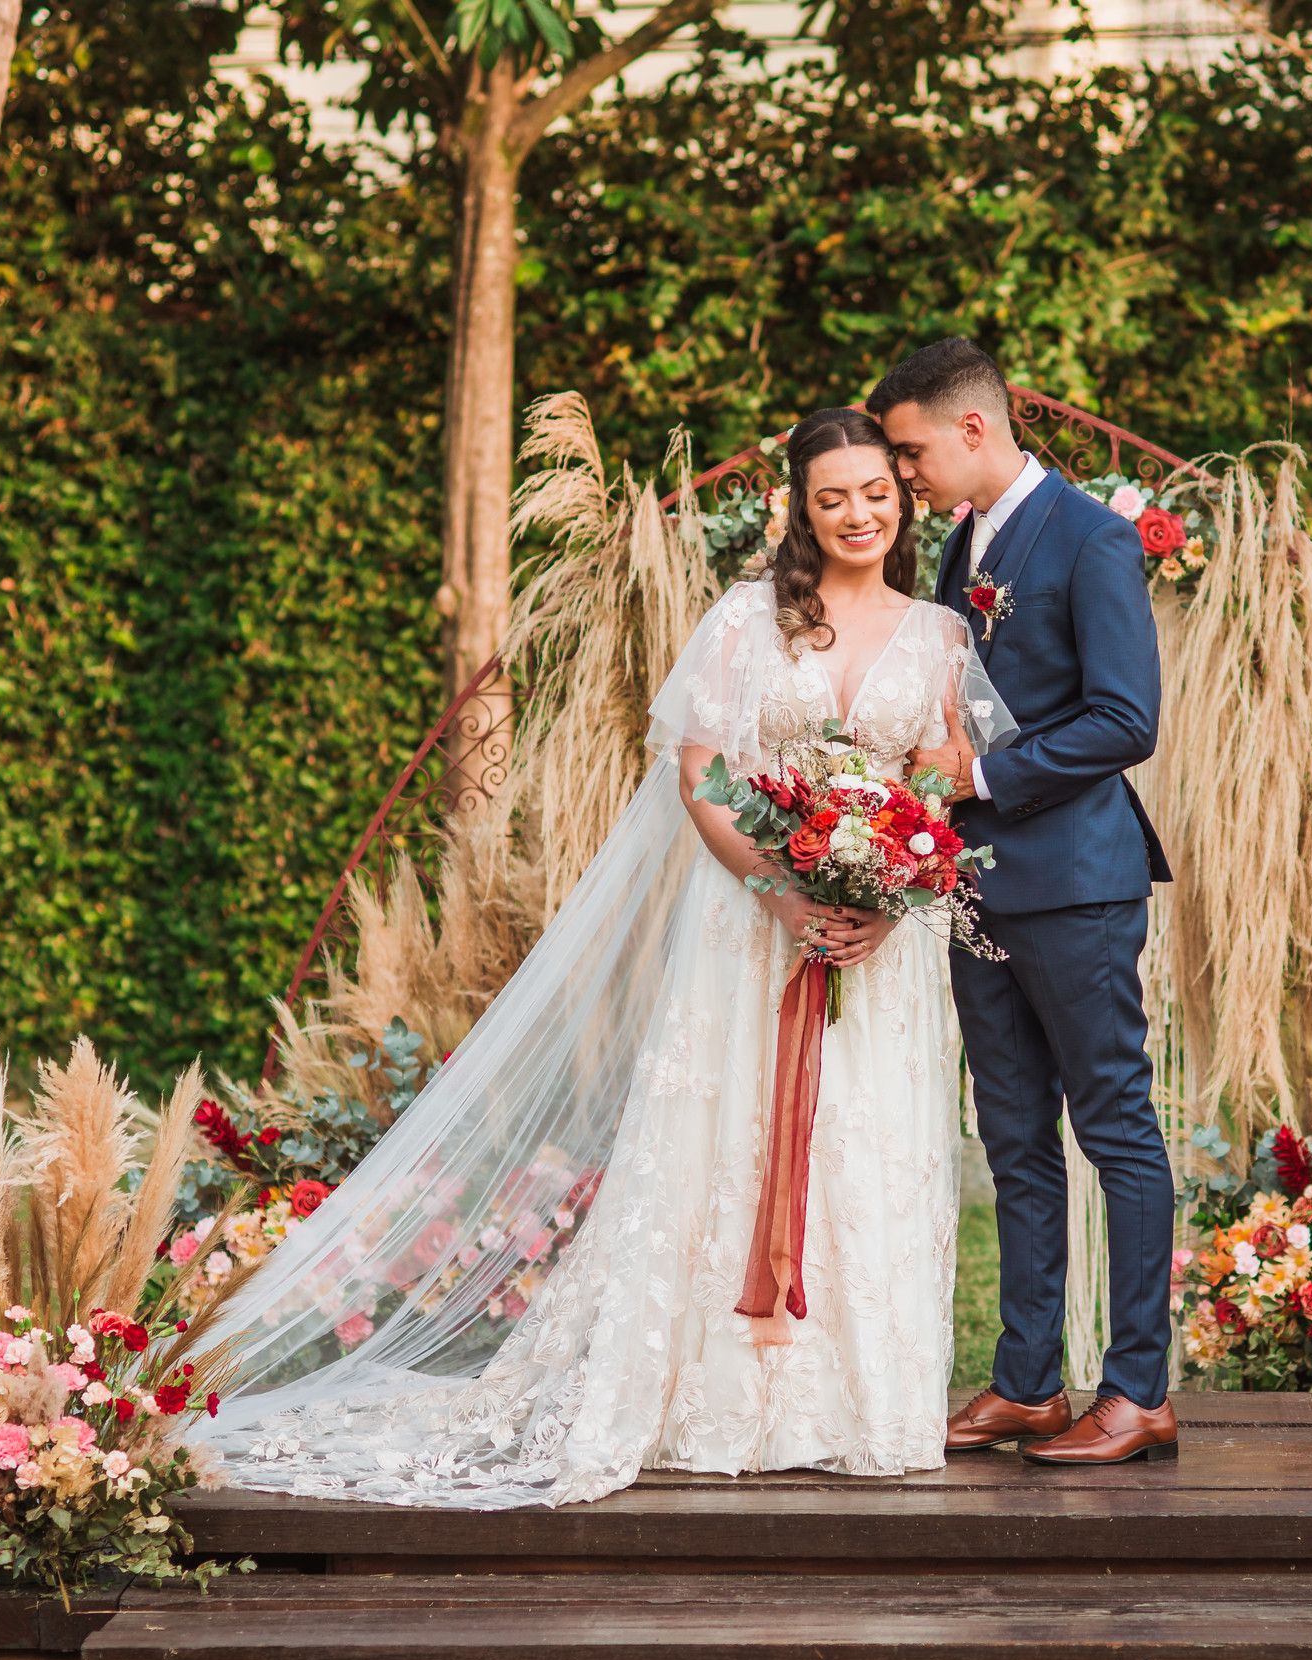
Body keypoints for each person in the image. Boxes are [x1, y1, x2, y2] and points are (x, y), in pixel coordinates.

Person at [196, 408, 1016, 1506]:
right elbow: (702, 774)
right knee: (727, 1141)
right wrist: (780, 890)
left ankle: (856, 1404)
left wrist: (887, 893)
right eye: (832, 497)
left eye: (875, 491)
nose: (858, 513)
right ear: (800, 510)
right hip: (748, 929)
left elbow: (934, 782)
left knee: (865, 1151)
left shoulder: (940, 636)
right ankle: (710, 1398)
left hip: (878, 952)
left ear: (902, 498)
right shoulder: (743, 621)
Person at [875, 337, 1181, 1466]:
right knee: (1011, 1138)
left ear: (970, 427)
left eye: (909, 450)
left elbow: (1125, 718)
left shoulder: (1093, 537)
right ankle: (1027, 1383)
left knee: (1113, 1129)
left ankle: (1139, 1389)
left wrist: (984, 777)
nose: (902, 473)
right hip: (978, 887)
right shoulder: (963, 547)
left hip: (1079, 886)